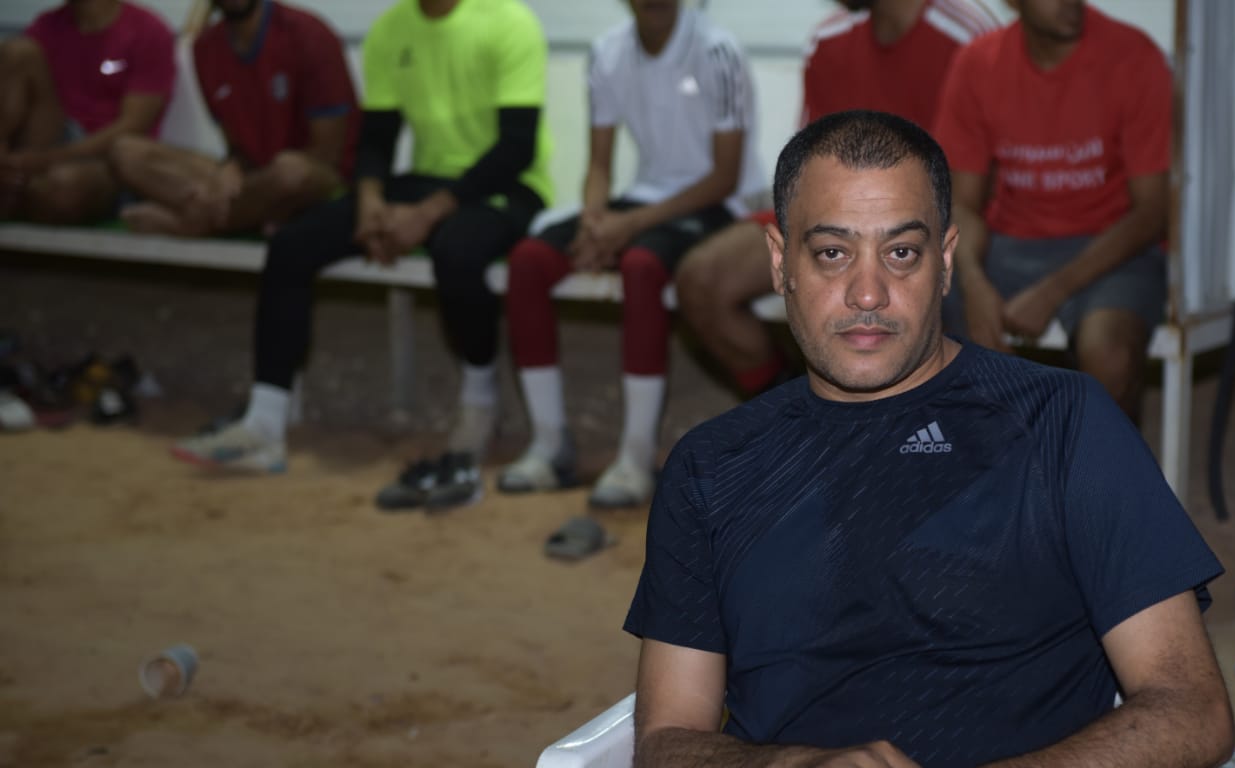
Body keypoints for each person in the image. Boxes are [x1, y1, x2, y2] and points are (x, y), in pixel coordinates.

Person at [504, 110, 1234, 768]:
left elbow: (1190, 711)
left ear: (946, 261)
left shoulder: (1058, 426)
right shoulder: (715, 467)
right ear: (778, 262)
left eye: (901, 251)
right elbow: (669, 751)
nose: (866, 291)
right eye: (831, 251)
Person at [171, 0, 556, 513]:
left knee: (456, 252)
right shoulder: (390, 30)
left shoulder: (509, 21)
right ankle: (264, 424)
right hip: (425, 179)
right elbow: (377, 138)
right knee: (291, 245)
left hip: (509, 187)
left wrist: (425, 215)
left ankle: (480, 401)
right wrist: (370, 203)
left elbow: (517, 147)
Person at [497, 0, 761, 508]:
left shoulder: (717, 50)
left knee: (642, 265)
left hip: (716, 205)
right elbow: (599, 165)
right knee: (528, 261)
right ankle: (549, 445)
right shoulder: (607, 51)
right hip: (642, 201)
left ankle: (636, 458)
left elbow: (725, 177)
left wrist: (628, 227)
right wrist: (594, 222)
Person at [674, 0, 1000, 398]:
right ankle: (790, 404)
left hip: (931, 226)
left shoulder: (967, 32)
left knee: (926, 303)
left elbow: (977, 189)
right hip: (833, 217)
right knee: (702, 280)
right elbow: (806, 169)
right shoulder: (828, 37)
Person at [936, 0, 1171, 422]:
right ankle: (998, 454)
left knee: (1111, 356)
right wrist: (974, 283)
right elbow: (961, 204)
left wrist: (1052, 291)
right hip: (1009, 243)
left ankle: (1102, 462)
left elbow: (1153, 211)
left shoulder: (1133, 56)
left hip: (1112, 245)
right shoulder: (977, 62)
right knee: (929, 310)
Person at [109, 0, 358, 237]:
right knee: (126, 151)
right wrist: (231, 169)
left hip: (316, 180)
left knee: (292, 171)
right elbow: (238, 147)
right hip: (255, 180)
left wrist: (250, 182)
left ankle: (192, 224)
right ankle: (235, 215)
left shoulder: (308, 34)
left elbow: (327, 156)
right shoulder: (206, 48)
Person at [0, 0, 174, 223]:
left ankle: (21, 190)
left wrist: (45, 160)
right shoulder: (46, 26)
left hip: (107, 159)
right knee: (17, 52)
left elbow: (134, 125)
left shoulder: (147, 29)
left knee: (62, 188)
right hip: (52, 138)